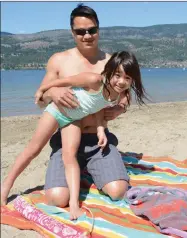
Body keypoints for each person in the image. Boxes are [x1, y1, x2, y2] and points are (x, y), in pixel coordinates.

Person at [0, 4, 133, 217]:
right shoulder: (59, 60)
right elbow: (40, 99)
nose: (87, 35)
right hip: (66, 134)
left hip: (97, 140)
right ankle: (6, 185)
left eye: (92, 30)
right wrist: (53, 93)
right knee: (56, 198)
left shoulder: (110, 63)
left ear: (99, 29)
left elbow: (125, 91)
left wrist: (120, 109)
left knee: (118, 191)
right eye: (80, 31)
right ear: (72, 32)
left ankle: (90, 170)